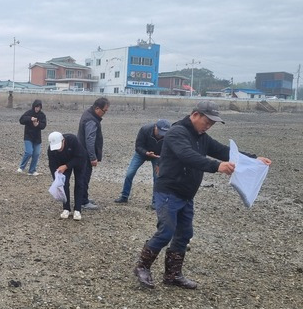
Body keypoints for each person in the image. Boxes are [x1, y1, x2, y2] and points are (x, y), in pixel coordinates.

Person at [133, 101, 272, 290]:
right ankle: (142, 267)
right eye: (207, 121)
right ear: (195, 115)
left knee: (184, 234)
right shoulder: (177, 132)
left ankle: (172, 275)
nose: (209, 126)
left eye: (212, 123)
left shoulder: (202, 137)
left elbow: (224, 151)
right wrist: (216, 166)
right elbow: (187, 155)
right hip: (168, 191)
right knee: (166, 231)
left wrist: (253, 159)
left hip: (186, 195)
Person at [114, 119, 171, 208]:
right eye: (160, 131)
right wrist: (146, 153)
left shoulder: (168, 135)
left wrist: (160, 162)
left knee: (157, 177)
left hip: (157, 156)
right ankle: (124, 196)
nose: (161, 134)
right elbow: (138, 146)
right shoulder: (145, 129)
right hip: (142, 154)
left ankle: (155, 201)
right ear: (155, 126)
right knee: (130, 173)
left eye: (163, 133)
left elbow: (167, 150)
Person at [77, 97, 110, 210]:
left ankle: (83, 198)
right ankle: (83, 201)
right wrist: (93, 157)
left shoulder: (88, 114)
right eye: (104, 110)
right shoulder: (91, 120)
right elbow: (90, 140)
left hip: (82, 152)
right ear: (97, 108)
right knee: (84, 177)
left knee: (83, 177)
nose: (104, 113)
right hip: (85, 154)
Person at [47, 131, 87, 221]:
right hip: (62, 163)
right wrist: (56, 179)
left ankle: (77, 209)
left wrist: (66, 166)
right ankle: (66, 208)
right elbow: (52, 165)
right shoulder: (51, 150)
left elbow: (80, 157)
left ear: (63, 140)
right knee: (63, 184)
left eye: (59, 146)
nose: (58, 149)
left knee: (79, 183)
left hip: (79, 160)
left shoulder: (73, 140)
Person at [17, 99, 47, 176]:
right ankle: (21, 167)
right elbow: (21, 120)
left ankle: (32, 170)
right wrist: (30, 119)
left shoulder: (42, 115)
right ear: (34, 107)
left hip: (37, 138)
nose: (37, 109)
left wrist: (38, 125)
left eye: (39, 107)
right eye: (36, 107)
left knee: (36, 154)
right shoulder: (29, 113)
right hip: (28, 136)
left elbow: (43, 125)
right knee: (29, 152)